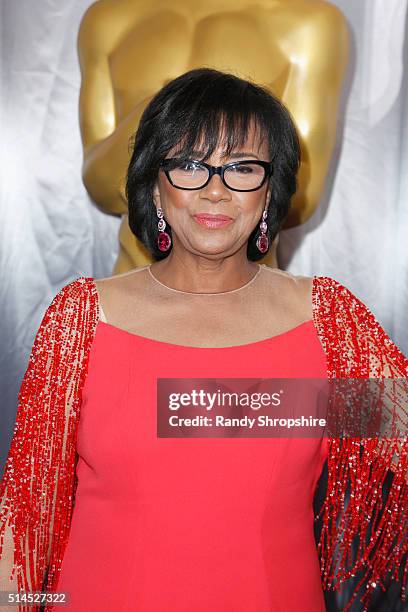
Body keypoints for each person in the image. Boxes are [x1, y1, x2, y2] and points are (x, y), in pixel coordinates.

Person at [0, 68, 407, 612]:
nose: (215, 190)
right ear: (154, 186)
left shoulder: (327, 322)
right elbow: (29, 521)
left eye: (242, 167)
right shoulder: (81, 320)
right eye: (190, 165)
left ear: (269, 191)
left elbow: (391, 430)